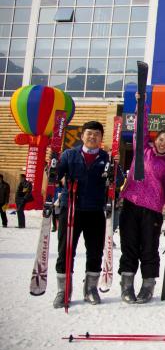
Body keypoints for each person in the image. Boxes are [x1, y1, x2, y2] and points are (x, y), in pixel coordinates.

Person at [117, 99, 165, 304]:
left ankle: (148, 285)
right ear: (155, 139)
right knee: (129, 245)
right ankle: (127, 285)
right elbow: (139, 130)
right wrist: (142, 107)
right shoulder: (143, 150)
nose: (163, 143)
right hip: (131, 203)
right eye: (161, 139)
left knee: (149, 248)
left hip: (153, 210)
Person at [53, 121, 110, 308]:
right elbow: (54, 177)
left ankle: (90, 289)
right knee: (66, 250)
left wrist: (114, 173)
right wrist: (52, 166)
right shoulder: (70, 154)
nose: (92, 137)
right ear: (82, 136)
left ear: (101, 138)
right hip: (71, 209)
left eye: (96, 134)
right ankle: (64, 290)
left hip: (95, 211)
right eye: (89, 133)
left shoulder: (106, 158)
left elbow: (117, 181)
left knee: (95, 251)